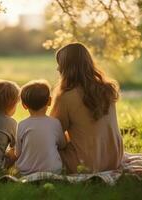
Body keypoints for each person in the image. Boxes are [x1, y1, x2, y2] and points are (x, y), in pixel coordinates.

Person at [51, 43, 124, 174]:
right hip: (114, 159)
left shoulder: (66, 97)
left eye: (60, 64)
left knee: (43, 148)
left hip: (84, 164)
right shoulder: (108, 89)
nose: (57, 68)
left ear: (68, 67)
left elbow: (51, 133)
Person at [15, 80, 66, 175]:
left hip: (26, 172)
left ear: (24, 105)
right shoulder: (55, 123)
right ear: (49, 101)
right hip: (53, 171)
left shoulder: (22, 124)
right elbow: (63, 145)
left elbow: (17, 153)